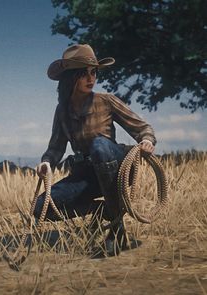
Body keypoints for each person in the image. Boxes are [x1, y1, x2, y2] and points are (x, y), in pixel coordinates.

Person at [34, 44, 156, 257]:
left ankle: (117, 231)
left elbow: (142, 127)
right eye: (85, 74)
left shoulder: (106, 101)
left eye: (94, 72)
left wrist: (146, 140)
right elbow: (55, 148)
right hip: (85, 174)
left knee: (99, 146)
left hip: (115, 167)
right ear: (71, 78)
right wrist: (46, 162)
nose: (92, 78)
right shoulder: (62, 110)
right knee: (41, 206)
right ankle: (101, 210)